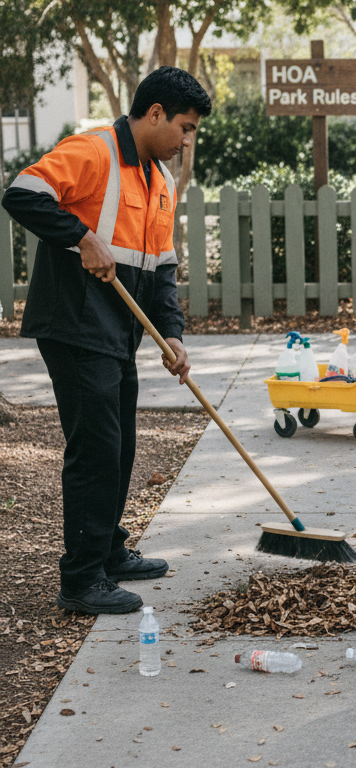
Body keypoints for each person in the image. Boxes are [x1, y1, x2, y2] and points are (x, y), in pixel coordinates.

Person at [2, 66, 211, 614]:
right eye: (185, 128)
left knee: (119, 447)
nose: (187, 141)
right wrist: (81, 235)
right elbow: (21, 193)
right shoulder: (93, 151)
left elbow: (162, 267)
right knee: (95, 449)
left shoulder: (160, 181)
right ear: (157, 113)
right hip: (74, 322)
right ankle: (81, 580)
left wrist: (172, 334)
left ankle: (108, 550)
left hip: (121, 329)